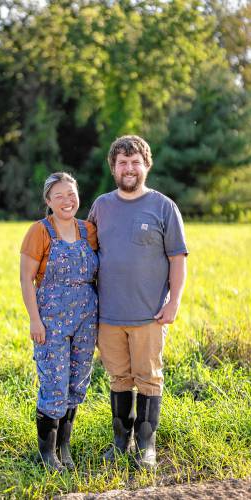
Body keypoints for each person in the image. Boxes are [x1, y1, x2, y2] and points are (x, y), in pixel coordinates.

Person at [88, 135, 188, 469]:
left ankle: (147, 447)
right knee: (118, 378)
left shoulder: (163, 206)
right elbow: (87, 253)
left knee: (148, 378)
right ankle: (121, 443)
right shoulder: (101, 206)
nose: (129, 169)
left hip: (149, 315)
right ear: (113, 168)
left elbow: (177, 259)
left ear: (146, 165)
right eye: (122, 163)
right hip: (108, 315)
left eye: (135, 162)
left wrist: (173, 302)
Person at [20, 172, 98, 472]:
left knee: (77, 382)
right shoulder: (39, 232)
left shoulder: (88, 229)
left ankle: (65, 446)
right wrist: (34, 321)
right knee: (54, 383)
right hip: (50, 322)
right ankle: (47, 454)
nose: (68, 200)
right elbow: (26, 280)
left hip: (86, 321)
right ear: (48, 201)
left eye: (72, 194)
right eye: (60, 196)